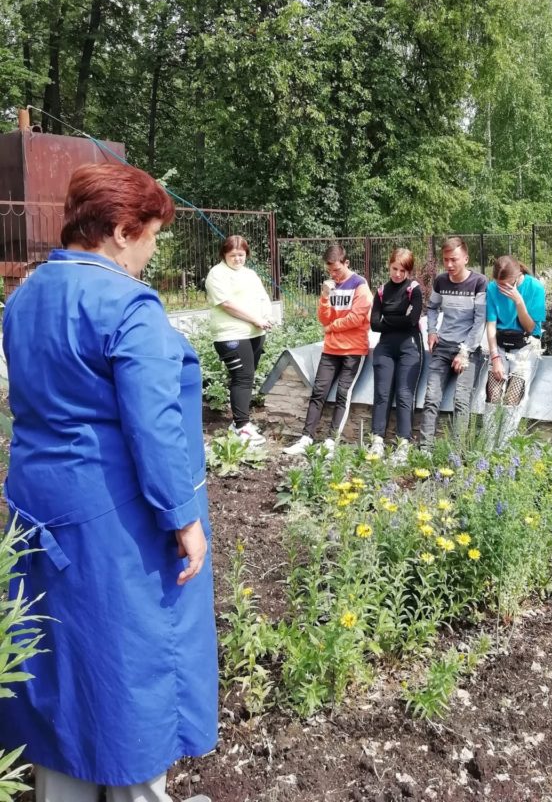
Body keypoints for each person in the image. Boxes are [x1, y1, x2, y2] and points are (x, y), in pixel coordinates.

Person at [1, 163, 216, 802]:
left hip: (36, 503)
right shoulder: (128, 304)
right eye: (151, 235)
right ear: (122, 232)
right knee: (132, 661)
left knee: (57, 661)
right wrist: (183, 518)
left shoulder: (23, 298)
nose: (151, 252)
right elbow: (155, 428)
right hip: (115, 517)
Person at [283, 244, 372, 457]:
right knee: (318, 392)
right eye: (330, 271)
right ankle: (306, 438)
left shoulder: (360, 285)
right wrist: (324, 296)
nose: (334, 275)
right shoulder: (331, 286)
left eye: (337, 270)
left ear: (346, 263)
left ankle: (332, 441)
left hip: (353, 349)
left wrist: (332, 327)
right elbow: (323, 317)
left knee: (343, 393)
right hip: (331, 348)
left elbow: (357, 318)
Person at [419, 237, 487, 453]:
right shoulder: (441, 281)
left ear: (466, 259)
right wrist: (431, 331)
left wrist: (465, 352)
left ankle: (457, 453)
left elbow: (480, 321)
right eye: (445, 260)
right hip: (442, 347)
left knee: (461, 401)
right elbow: (432, 308)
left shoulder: (479, 283)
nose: (449, 265)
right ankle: (425, 450)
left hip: (468, 351)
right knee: (431, 398)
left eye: (454, 260)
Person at [205, 234, 272, 445]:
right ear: (224, 254)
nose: (237, 259)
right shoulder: (217, 274)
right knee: (242, 377)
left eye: (241, 255)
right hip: (231, 335)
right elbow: (227, 304)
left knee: (246, 377)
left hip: (255, 333)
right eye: (233, 255)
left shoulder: (250, 274)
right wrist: (255, 319)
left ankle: (239, 421)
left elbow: (263, 297)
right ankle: (241, 427)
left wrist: (266, 316)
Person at [368, 248, 424, 464]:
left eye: (403, 270)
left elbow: (412, 320)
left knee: (403, 394)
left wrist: (387, 321)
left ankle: (403, 443)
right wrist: (399, 317)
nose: (398, 274)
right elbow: (373, 324)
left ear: (409, 271)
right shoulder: (382, 291)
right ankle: (377, 440)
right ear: (389, 265)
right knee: (382, 394)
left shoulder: (414, 289)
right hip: (385, 348)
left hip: (409, 347)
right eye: (394, 269)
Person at [485, 255, 545, 448]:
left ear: (518, 275)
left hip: (525, 345)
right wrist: (495, 357)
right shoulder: (492, 289)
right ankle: (487, 447)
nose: (503, 288)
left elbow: (531, 327)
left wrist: (519, 302)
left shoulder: (534, 288)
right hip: (501, 343)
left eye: (507, 284)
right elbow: (491, 325)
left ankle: (503, 448)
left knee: (513, 396)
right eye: (499, 284)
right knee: (493, 393)